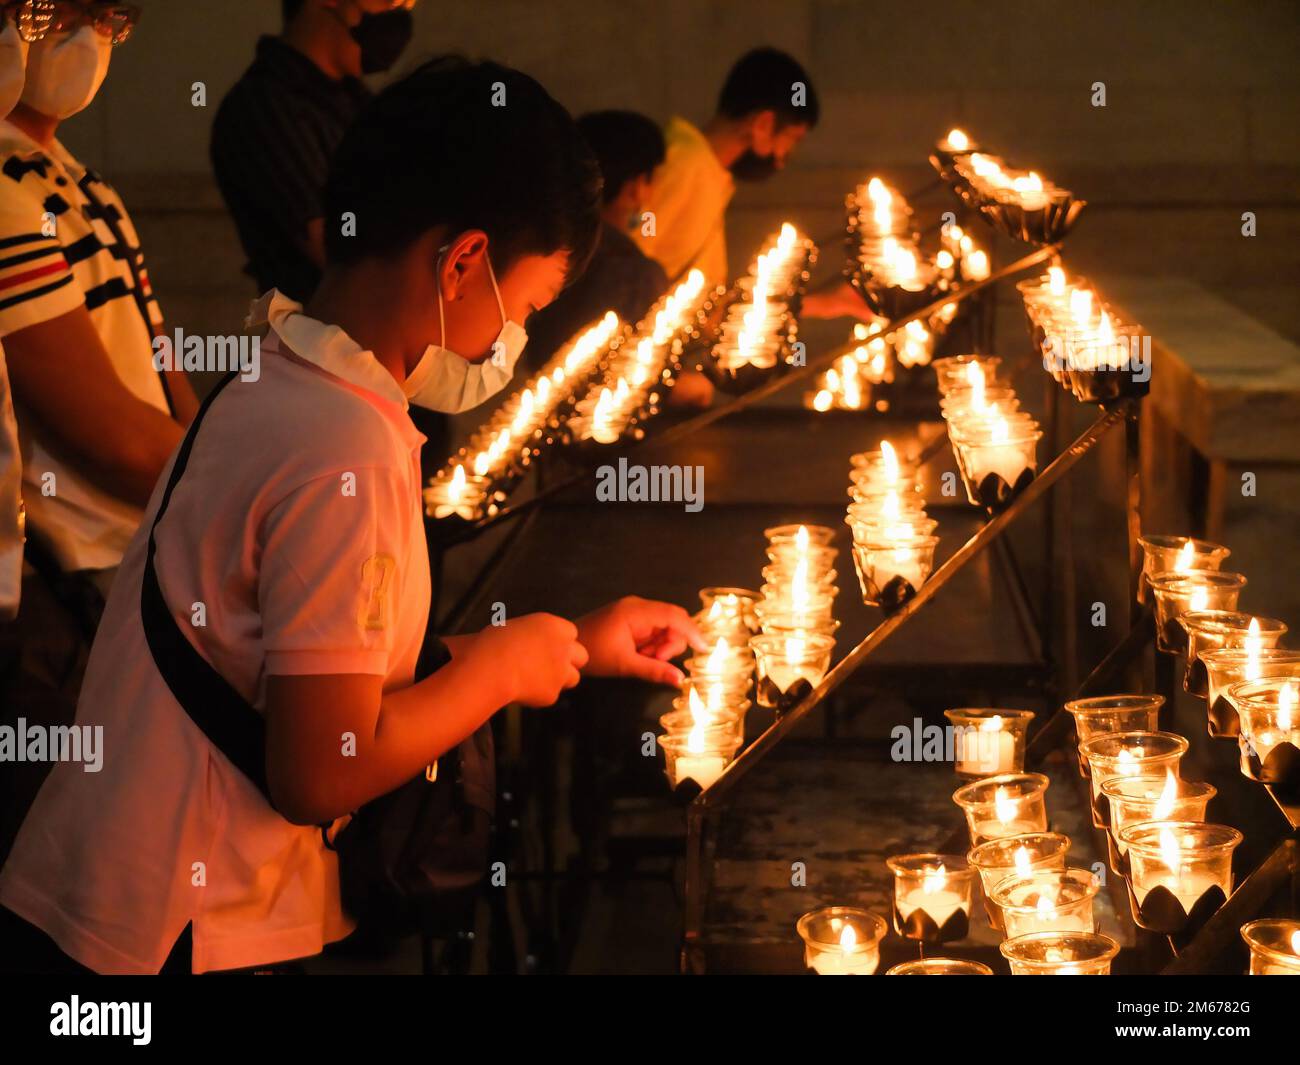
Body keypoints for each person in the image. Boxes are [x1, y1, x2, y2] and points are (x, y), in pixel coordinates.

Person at [0, 56, 702, 975]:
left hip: (98, 896)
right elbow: (321, 768)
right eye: (523, 309)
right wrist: (494, 668)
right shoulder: (344, 445)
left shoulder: (275, 378)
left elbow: (322, 670)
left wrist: (566, 643)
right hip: (178, 930)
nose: (508, 345)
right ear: (462, 263)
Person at [0, 0, 199, 863]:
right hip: (66, 578)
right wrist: (235, 491)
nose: (86, 40)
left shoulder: (86, 184)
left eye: (110, 19)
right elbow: (97, 424)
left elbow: (162, 375)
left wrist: (216, 467)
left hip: (136, 561)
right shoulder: (3, 187)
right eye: (54, 14)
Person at [210, 0, 417, 303]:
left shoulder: (355, 99)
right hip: (322, 336)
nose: (401, 13)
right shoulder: (265, 107)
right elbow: (339, 253)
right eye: (394, 0)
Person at [633, 47, 819, 289]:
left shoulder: (709, 172)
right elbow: (634, 252)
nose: (784, 157)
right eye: (791, 139)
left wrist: (824, 304)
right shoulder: (685, 162)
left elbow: (710, 296)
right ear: (764, 124)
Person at [522, 110, 668, 372]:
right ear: (634, 188)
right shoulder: (635, 274)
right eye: (650, 180)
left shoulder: (544, 251)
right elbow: (636, 374)